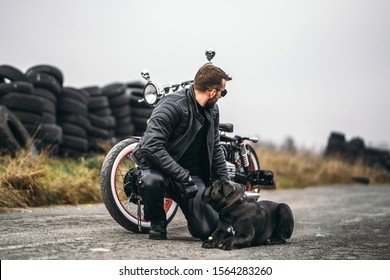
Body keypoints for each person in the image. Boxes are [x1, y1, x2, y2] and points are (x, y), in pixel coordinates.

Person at [131, 63, 230, 240]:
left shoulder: (213, 110)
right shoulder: (171, 106)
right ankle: (158, 222)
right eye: (223, 92)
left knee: (208, 231)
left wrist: (227, 186)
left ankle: (197, 220)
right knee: (150, 180)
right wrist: (183, 177)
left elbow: (215, 149)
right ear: (212, 91)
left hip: (193, 178)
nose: (222, 96)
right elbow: (151, 147)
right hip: (162, 171)